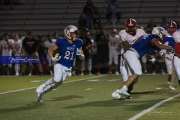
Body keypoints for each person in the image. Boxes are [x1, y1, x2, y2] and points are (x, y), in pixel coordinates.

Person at [112, 27, 173, 99]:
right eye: (162, 34)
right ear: (158, 33)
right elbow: (159, 45)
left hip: (130, 53)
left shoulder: (146, 36)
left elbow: (152, 47)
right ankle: (121, 90)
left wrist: (162, 51)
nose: (163, 36)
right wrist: (170, 48)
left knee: (134, 77)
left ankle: (122, 91)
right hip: (132, 54)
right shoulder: (153, 37)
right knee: (137, 72)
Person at [36, 25, 84, 103]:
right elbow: (50, 49)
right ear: (68, 33)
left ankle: (41, 93)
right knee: (57, 79)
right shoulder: (61, 41)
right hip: (60, 63)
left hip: (68, 67)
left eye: (76, 33)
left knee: (57, 84)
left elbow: (81, 55)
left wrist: (82, 56)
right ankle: (42, 86)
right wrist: (52, 57)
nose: (76, 35)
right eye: (74, 33)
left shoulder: (79, 42)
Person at [119, 18, 146, 92]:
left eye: (132, 27)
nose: (130, 29)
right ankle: (122, 92)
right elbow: (126, 46)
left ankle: (126, 90)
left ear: (136, 26)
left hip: (134, 58)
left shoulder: (141, 32)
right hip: (125, 59)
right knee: (127, 80)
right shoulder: (122, 33)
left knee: (134, 81)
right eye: (129, 27)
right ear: (125, 27)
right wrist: (138, 40)